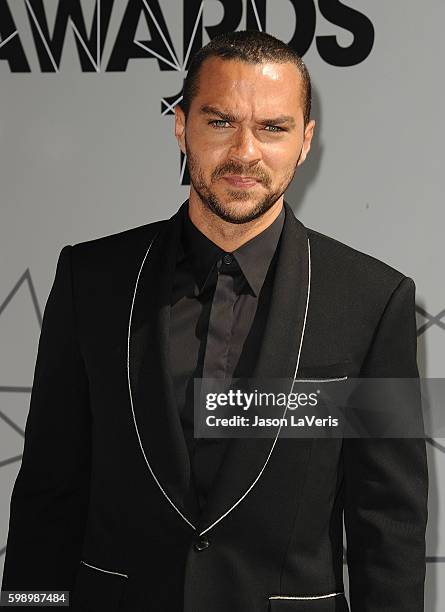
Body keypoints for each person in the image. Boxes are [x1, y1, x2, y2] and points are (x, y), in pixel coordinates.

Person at [1, 30, 428, 612]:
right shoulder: (92, 280)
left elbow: (389, 521)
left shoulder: (372, 300)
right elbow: (49, 493)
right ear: (181, 126)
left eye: (273, 128)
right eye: (221, 121)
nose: (245, 152)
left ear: (305, 143)